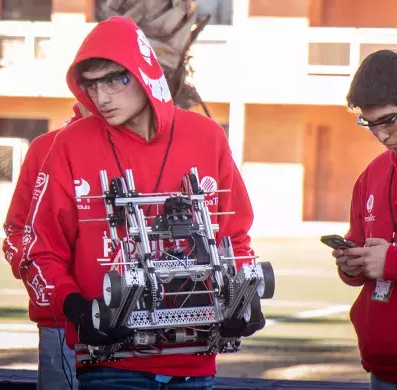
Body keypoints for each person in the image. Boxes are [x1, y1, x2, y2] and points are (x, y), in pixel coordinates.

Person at [20, 17, 264, 389]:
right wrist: (74, 307)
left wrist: (244, 298)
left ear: (144, 73)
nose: (101, 97)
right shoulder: (70, 144)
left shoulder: (206, 136)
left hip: (194, 362)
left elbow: (234, 235)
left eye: (114, 80)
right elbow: (40, 248)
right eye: (91, 85)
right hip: (108, 364)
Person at [3, 102, 89, 390]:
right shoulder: (46, 147)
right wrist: (52, 292)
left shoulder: (154, 146)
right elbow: (18, 231)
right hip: (60, 324)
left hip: (140, 329)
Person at [334, 49, 397, 389]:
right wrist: (351, 263)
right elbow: (358, 251)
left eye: (389, 120)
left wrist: (390, 261)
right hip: (382, 368)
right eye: (370, 125)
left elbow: (388, 262)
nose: (381, 135)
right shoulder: (371, 174)